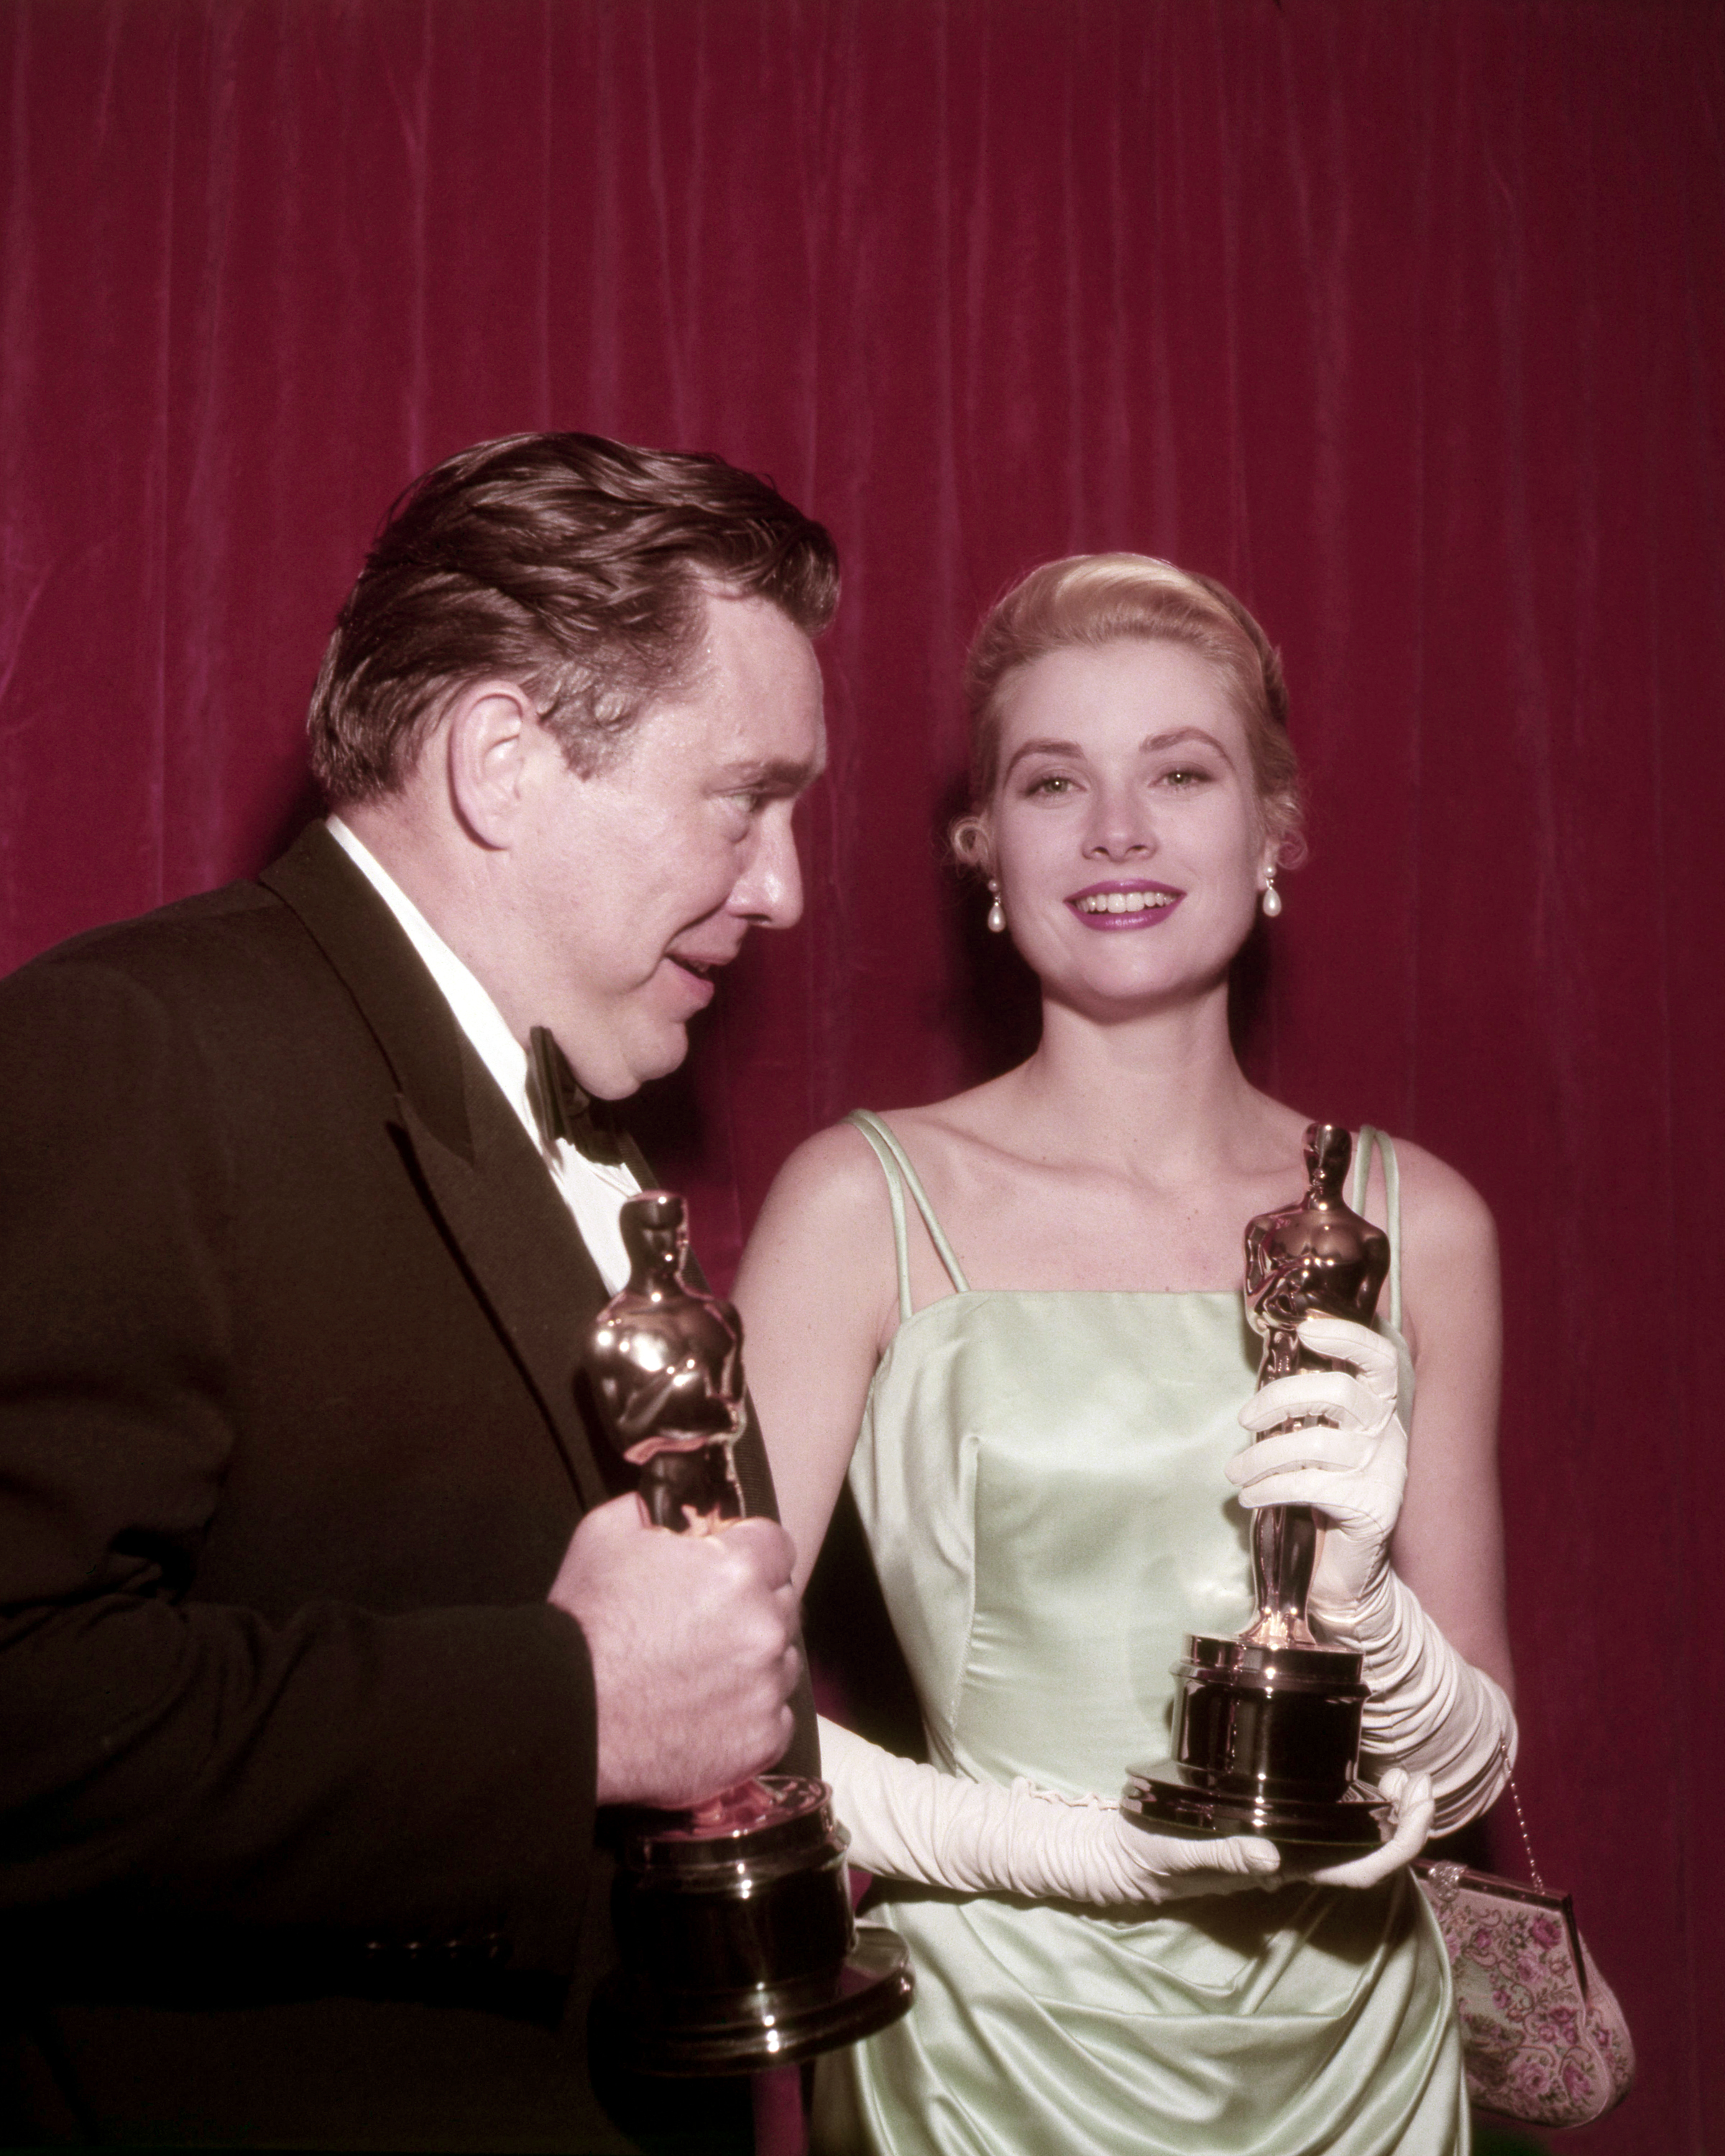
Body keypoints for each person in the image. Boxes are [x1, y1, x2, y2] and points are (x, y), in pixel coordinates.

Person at [0, 432, 835, 2152]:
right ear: (504, 761)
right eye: (743, 796)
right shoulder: (138, 1048)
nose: (783, 888)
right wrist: (568, 1712)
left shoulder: (581, 1125)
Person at [734, 556, 1518, 2155]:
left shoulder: (1415, 1220)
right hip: (979, 2061)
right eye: (1051, 782)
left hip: (1364, 2066)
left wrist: (1366, 1615)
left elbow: (1482, 1757)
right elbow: (711, 1712)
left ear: (1273, 831)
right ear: (986, 856)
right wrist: (1061, 1849)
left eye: (1181, 771)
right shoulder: (856, 1207)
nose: (1117, 832)